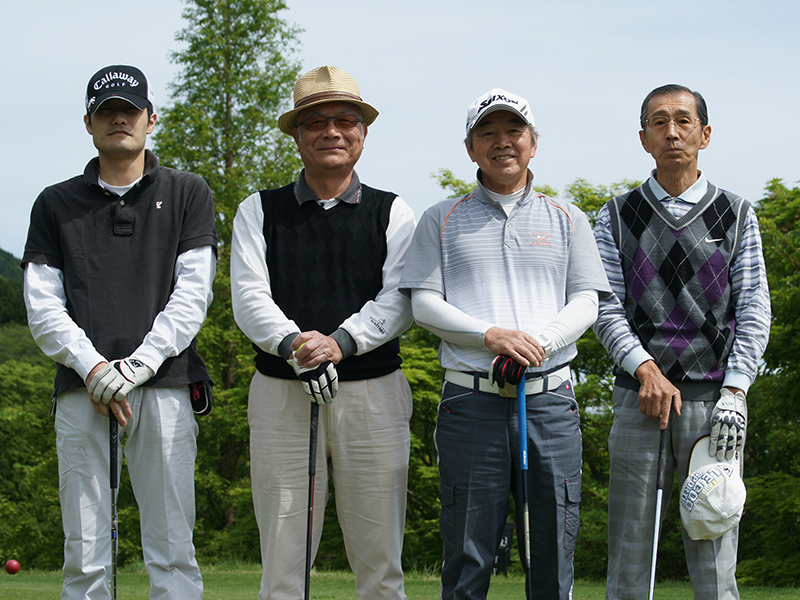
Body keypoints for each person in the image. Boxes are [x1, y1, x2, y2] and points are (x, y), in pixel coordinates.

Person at [399, 88, 612, 600]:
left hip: (550, 402)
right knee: (468, 556)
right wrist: (490, 335)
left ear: (533, 143)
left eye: (513, 131)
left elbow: (587, 301)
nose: (502, 143)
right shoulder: (440, 217)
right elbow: (423, 304)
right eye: (487, 133)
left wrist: (537, 343)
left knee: (552, 555)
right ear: (470, 148)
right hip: (471, 403)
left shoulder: (568, 218)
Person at [22, 65, 217, 599]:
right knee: (85, 555)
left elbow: (193, 293)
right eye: (107, 112)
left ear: (151, 119)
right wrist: (94, 368)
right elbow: (42, 306)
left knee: (173, 550)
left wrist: (134, 367)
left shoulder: (187, 192)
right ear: (88, 123)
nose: (119, 120)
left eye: (129, 111)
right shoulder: (54, 203)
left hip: (166, 385)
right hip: (81, 390)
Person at [230, 65, 416, 600]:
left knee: (381, 567)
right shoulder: (258, 210)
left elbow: (399, 298)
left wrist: (339, 342)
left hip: (373, 395)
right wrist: (298, 345)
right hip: (281, 396)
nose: (331, 131)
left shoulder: (393, 211)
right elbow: (249, 298)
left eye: (345, 119)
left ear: (362, 132)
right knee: (284, 570)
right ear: (296, 133)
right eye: (315, 121)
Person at [592, 84, 771, 600]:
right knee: (630, 556)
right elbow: (605, 306)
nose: (672, 132)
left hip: (714, 405)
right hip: (637, 397)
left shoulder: (736, 213)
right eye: (659, 122)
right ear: (644, 138)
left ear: (705, 133)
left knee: (714, 553)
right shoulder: (616, 215)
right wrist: (644, 367)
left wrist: (736, 392)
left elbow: (754, 308)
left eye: (683, 121)